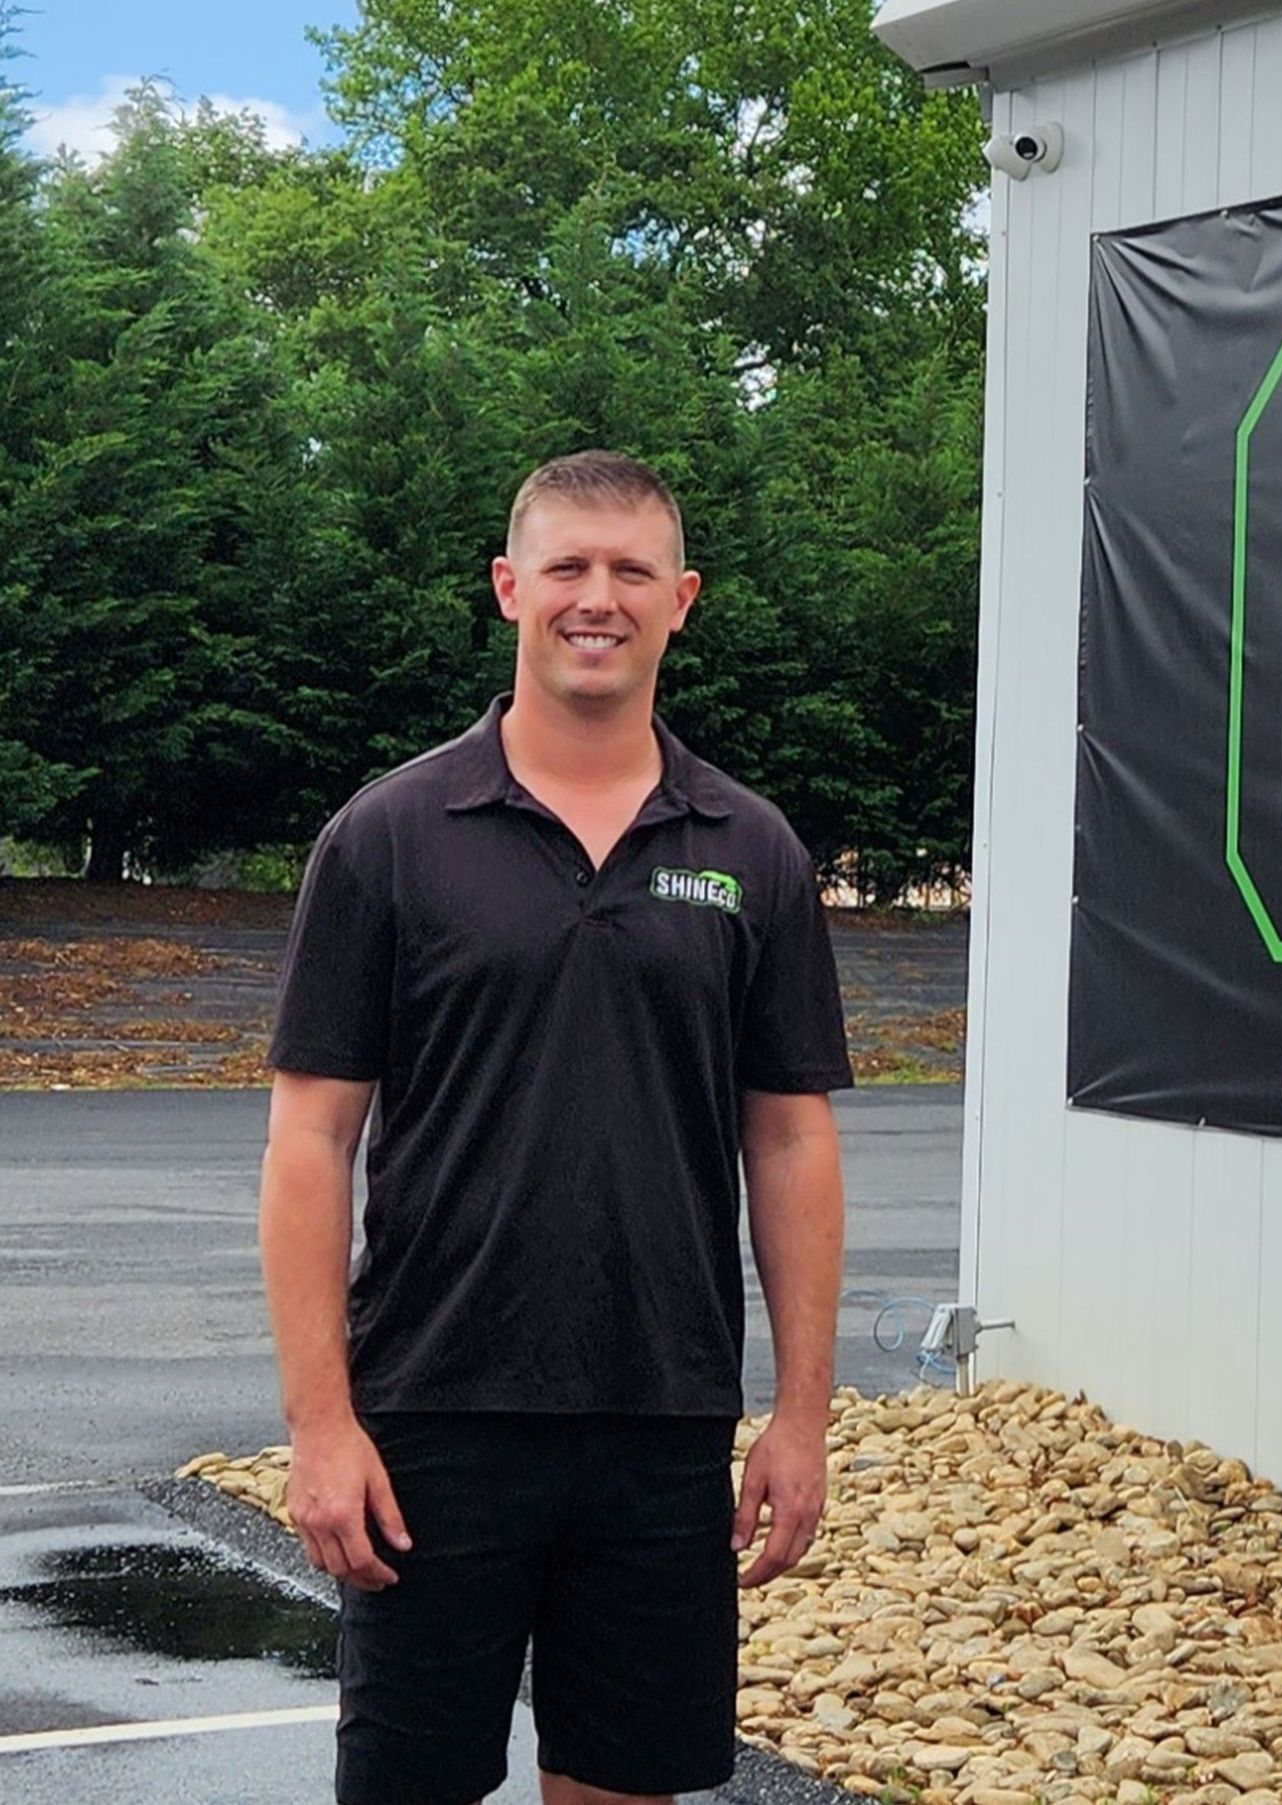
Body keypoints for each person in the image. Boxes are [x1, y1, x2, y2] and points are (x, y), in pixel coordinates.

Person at [257, 449, 853, 1805]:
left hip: (662, 1416)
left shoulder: (750, 851)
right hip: (432, 1416)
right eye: (570, 567)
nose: (600, 598)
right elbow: (310, 1146)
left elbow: (792, 1143)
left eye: (632, 570)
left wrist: (802, 1417)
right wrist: (320, 1426)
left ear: (682, 598)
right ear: (509, 586)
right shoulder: (391, 838)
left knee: (625, 1788)